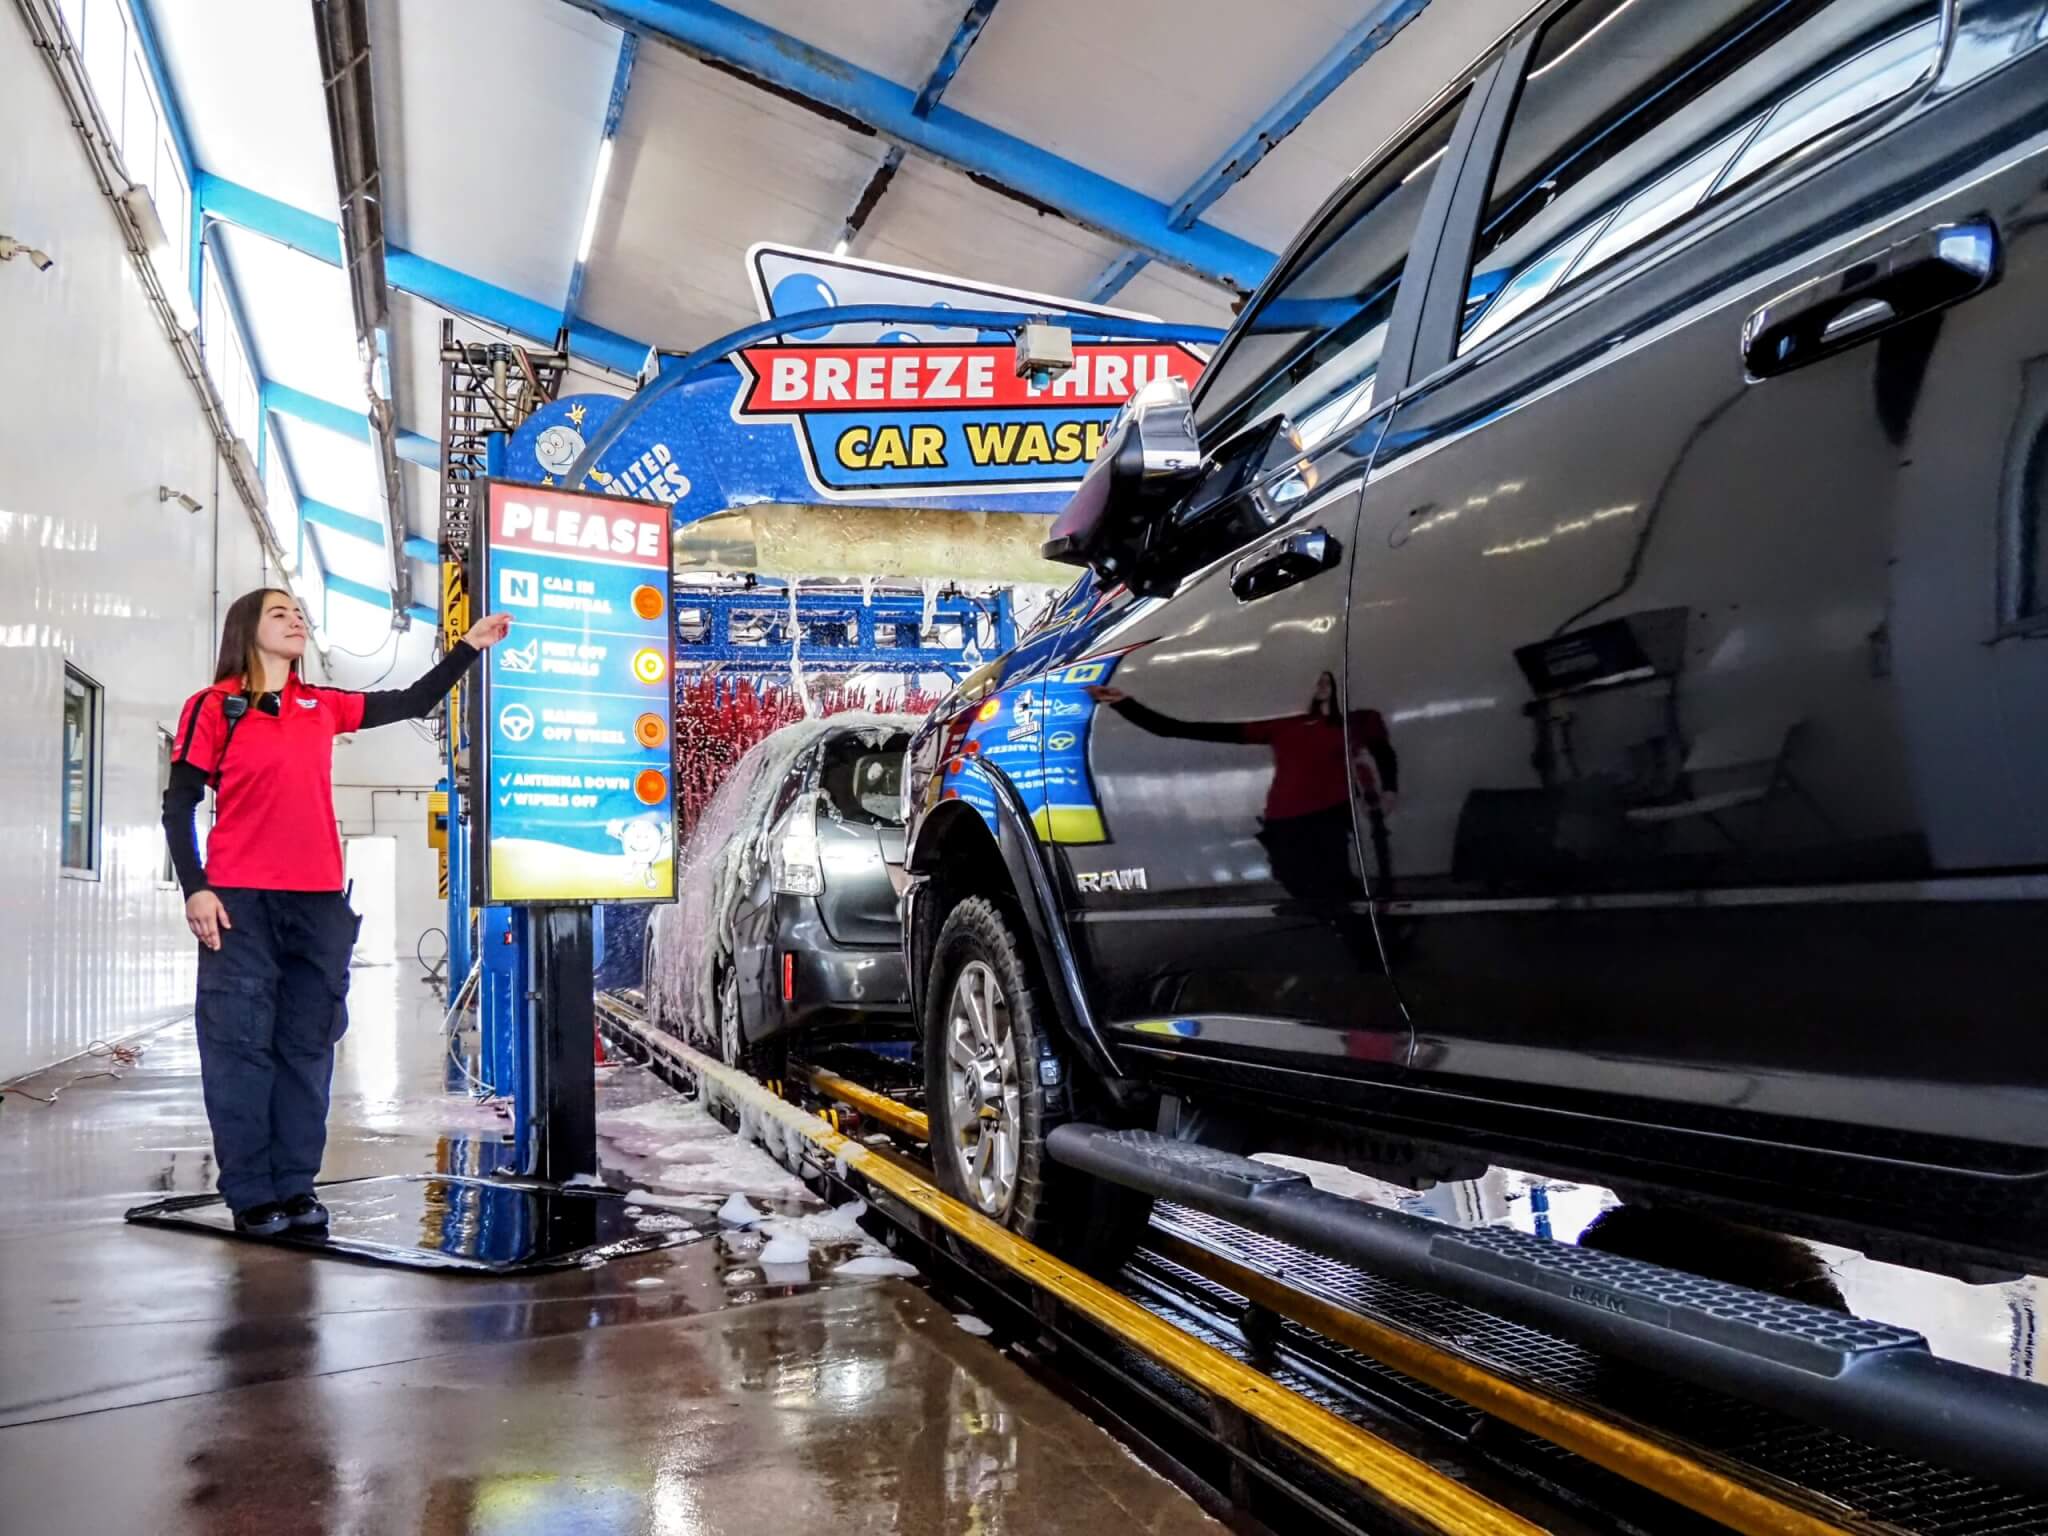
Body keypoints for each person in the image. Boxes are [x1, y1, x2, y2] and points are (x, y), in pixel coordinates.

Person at [161, 589, 511, 1237]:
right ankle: (250, 1193)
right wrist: (195, 886)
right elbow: (178, 804)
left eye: (299, 612)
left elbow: (412, 702)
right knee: (240, 1048)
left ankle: (295, 1187)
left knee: (307, 1047)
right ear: (246, 630)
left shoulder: (320, 705)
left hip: (319, 904)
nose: (296, 620)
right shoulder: (214, 707)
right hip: (239, 903)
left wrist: (469, 647)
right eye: (278, 613)